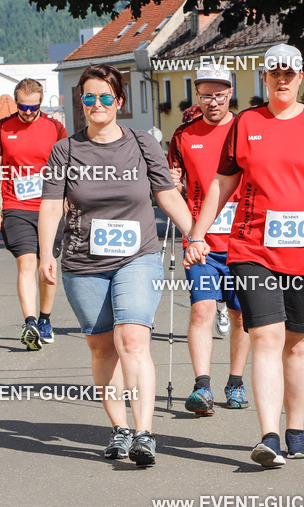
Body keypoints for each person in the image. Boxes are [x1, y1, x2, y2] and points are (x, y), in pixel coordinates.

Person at [185, 44, 304, 468]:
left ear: (300, 78)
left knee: (298, 344)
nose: (282, 80)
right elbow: (222, 183)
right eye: (274, 73)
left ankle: (295, 430)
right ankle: (269, 436)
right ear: (264, 78)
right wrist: (197, 234)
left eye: (289, 73)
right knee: (266, 336)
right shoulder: (247, 123)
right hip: (253, 248)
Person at [38, 64, 193, 466]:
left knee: (133, 341)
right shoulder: (65, 150)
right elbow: (51, 205)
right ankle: (119, 429)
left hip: (137, 256)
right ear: (81, 102)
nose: (97, 104)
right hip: (83, 262)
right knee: (102, 347)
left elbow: (167, 195)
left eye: (106, 97)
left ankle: (144, 433)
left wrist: (195, 234)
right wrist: (45, 254)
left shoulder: (142, 144)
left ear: (119, 101)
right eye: (89, 97)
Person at [167, 64, 251, 416]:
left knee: (240, 315)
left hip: (243, 241)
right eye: (205, 95)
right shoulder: (184, 135)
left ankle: (236, 382)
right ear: (197, 96)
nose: (212, 101)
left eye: (219, 95)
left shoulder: (246, 128)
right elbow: (172, 185)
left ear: (230, 93)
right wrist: (174, 183)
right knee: (202, 308)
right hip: (200, 242)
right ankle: (202, 386)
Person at [0, 78, 68, 350]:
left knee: (47, 265)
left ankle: (45, 319)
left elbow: (67, 168)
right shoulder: (3, 127)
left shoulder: (54, 128)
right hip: (16, 206)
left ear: (41, 102)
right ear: (16, 102)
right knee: (26, 263)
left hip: (50, 207)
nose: (28, 112)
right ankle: (30, 323)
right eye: (23, 106)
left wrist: (69, 200)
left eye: (34, 107)